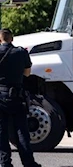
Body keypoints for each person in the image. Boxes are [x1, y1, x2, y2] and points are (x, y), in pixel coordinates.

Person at [0, 29, 42, 167]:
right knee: (21, 131)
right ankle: (28, 163)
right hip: (17, 96)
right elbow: (27, 73)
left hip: (1, 96)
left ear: (0, 39)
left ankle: (5, 162)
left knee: (2, 131)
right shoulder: (20, 52)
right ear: (12, 38)